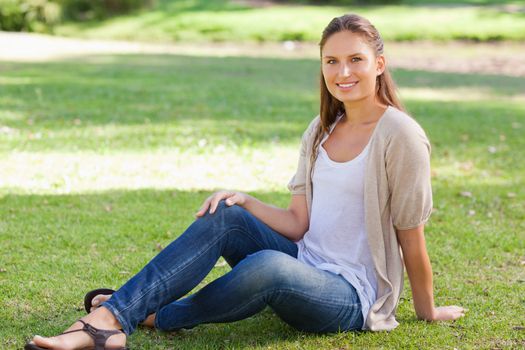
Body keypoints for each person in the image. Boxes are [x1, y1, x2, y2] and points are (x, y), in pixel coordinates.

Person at [25, 13, 466, 350]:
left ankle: (157, 317)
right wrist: (249, 202)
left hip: (350, 296)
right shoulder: (321, 129)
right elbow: (297, 223)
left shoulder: (401, 135)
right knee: (227, 214)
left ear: (379, 64)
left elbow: (412, 236)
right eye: (332, 60)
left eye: (356, 60)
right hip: (305, 258)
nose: (343, 72)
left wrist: (427, 312)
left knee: (268, 267)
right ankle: (114, 321)